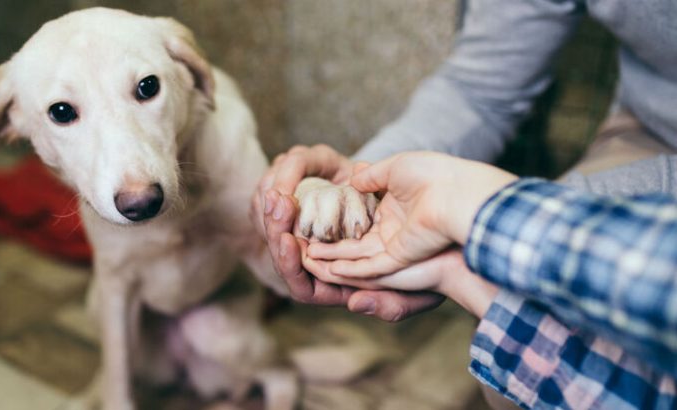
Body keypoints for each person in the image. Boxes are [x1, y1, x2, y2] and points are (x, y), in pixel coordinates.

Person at [251, 0, 677, 408]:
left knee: (533, 314)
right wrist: (367, 179)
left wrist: (486, 216)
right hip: (654, 125)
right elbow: (479, 88)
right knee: (517, 322)